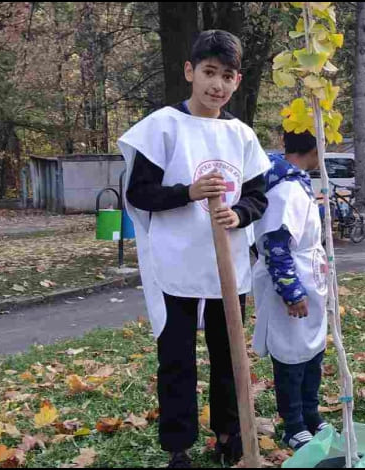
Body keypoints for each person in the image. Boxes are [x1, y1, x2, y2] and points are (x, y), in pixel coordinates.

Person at [117, 30, 271, 468]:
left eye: (226, 76)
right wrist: (187, 192)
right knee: (177, 358)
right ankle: (178, 446)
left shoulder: (242, 136)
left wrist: (239, 214)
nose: (216, 85)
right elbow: (140, 193)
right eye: (208, 73)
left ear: (237, 81)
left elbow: (258, 196)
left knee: (230, 355)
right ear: (190, 72)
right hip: (177, 263)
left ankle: (229, 432)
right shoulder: (163, 127)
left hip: (228, 266)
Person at [251, 130, 330, 451]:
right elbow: (275, 244)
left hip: (312, 279)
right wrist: (291, 292)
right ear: (315, 148)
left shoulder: (299, 183)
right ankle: (293, 423)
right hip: (293, 286)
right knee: (292, 355)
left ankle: (310, 413)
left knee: (312, 351)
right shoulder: (285, 192)